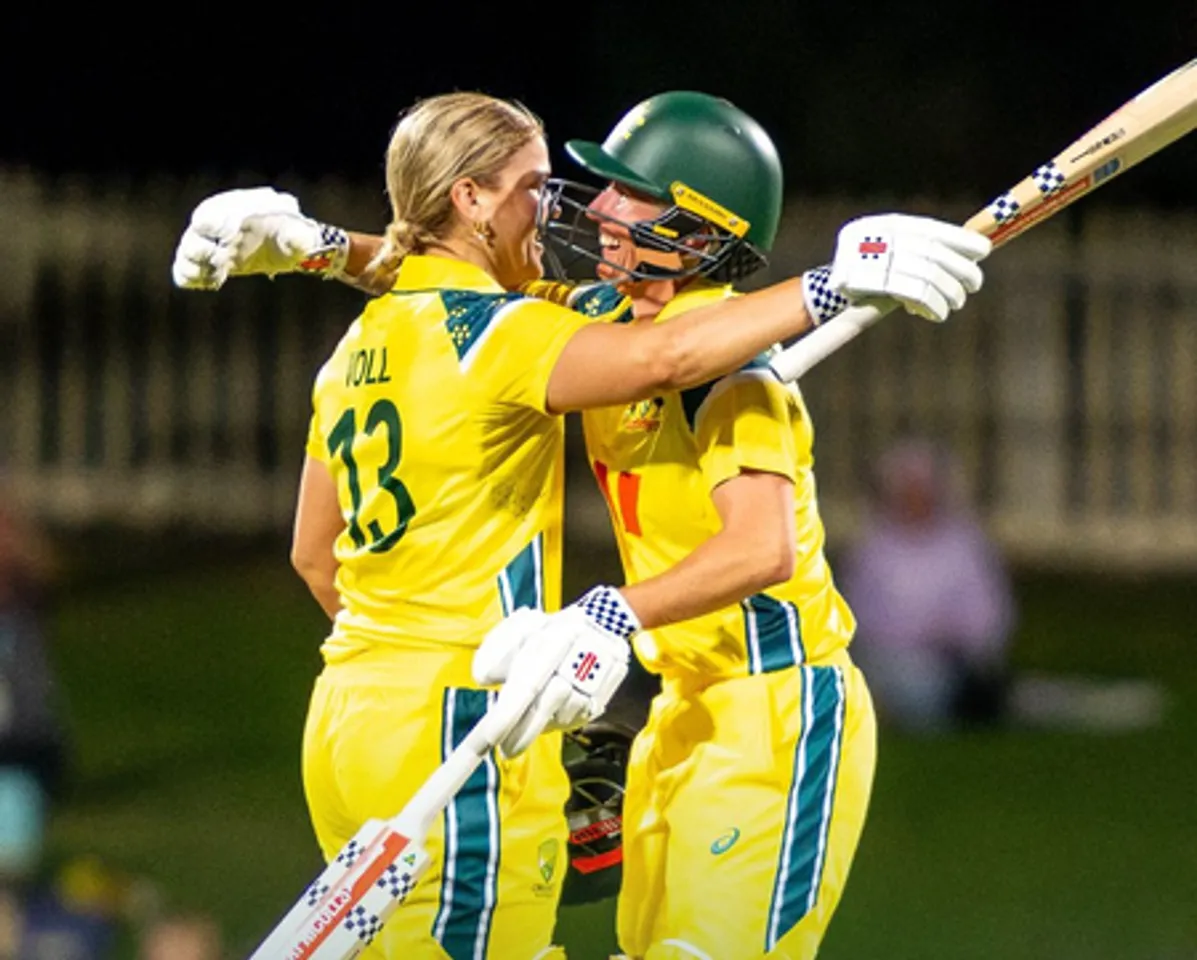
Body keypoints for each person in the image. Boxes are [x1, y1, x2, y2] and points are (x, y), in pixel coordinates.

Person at [171, 90, 989, 959]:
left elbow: (760, 544)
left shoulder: (728, 369)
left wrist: (607, 615)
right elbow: (513, 308)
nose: (588, 206)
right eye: (551, 184)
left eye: (624, 193)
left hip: (772, 707)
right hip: (655, 707)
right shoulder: (585, 324)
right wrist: (321, 249)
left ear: (695, 223)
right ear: (471, 196)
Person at [839, 438, 1015, 732]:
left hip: (956, 658)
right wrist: (915, 636)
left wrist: (960, 636)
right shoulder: (872, 550)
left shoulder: (965, 545)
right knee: (915, 685)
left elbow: (990, 609)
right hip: (894, 662)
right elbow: (860, 618)